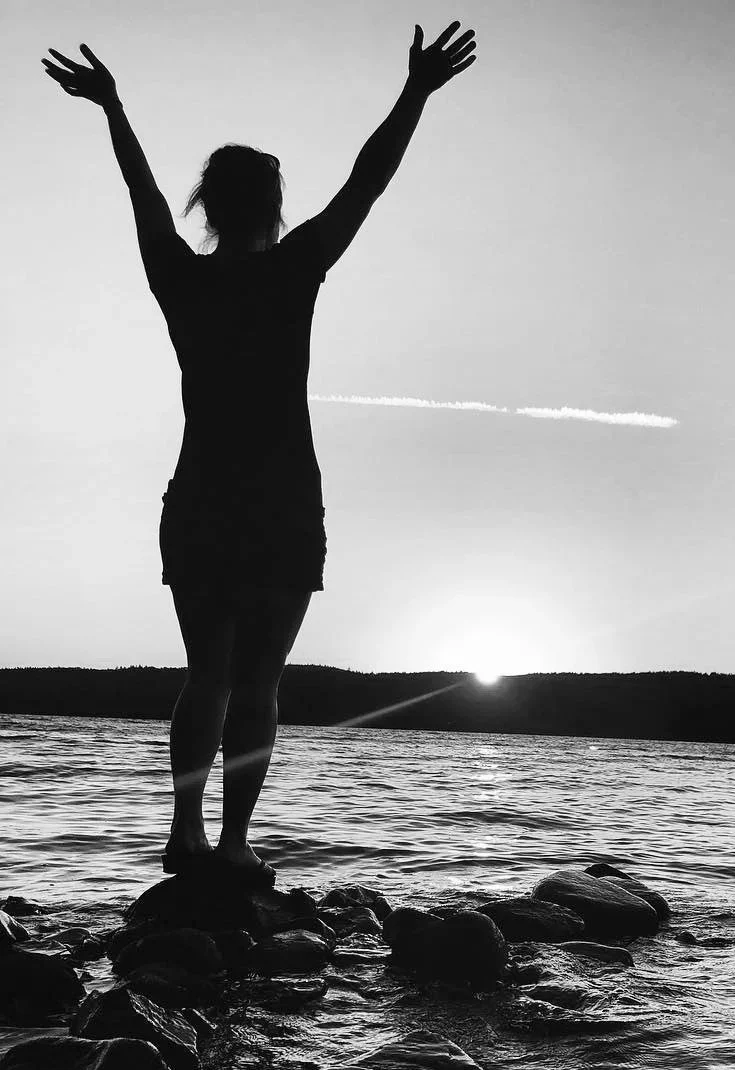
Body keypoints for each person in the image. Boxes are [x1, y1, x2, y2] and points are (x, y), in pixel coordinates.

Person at [42, 24, 477, 886]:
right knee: (258, 682)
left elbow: (142, 196)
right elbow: (367, 182)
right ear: (273, 206)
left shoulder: (180, 276)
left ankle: (186, 834)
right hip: (280, 500)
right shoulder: (295, 268)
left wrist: (114, 110)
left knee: (207, 673)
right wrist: (416, 93)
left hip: (202, 495)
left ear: (209, 205)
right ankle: (233, 841)